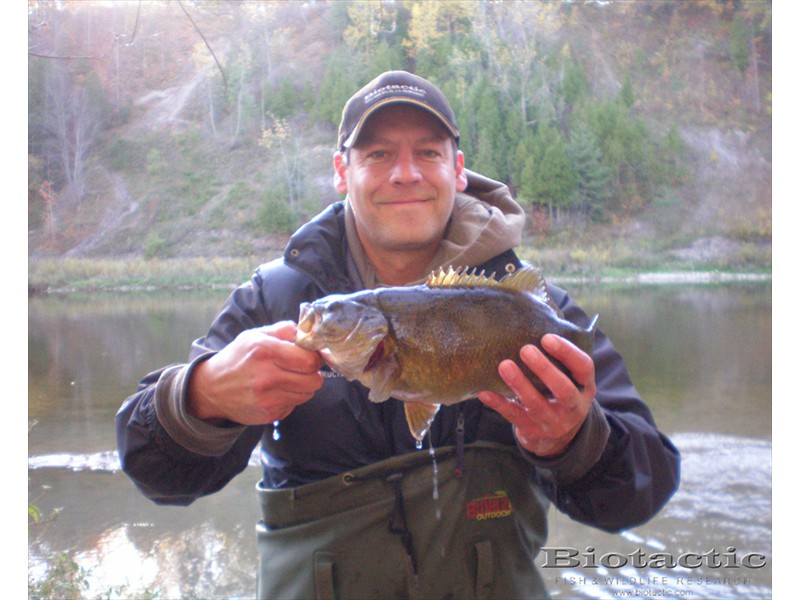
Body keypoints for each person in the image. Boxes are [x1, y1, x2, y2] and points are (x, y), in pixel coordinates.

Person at [117, 70, 680, 599]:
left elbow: (641, 491)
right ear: (343, 172)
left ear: (457, 170)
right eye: (378, 153)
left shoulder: (531, 310)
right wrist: (201, 397)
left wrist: (576, 440)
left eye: (427, 153)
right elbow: (159, 475)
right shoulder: (275, 303)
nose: (405, 173)